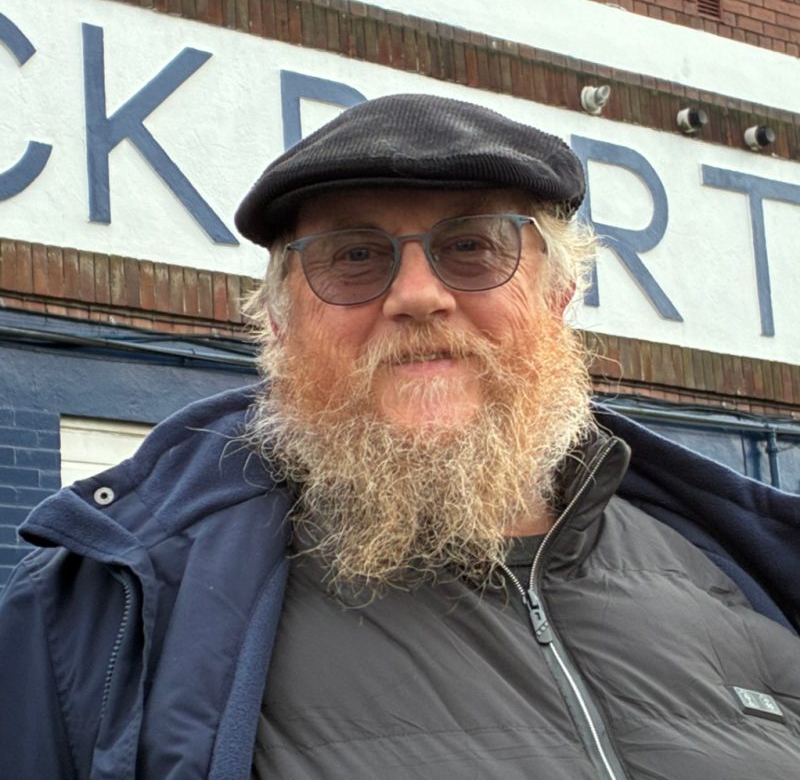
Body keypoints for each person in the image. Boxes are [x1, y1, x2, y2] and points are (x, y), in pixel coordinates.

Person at [1, 94, 799, 780]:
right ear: (279, 320)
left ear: (556, 296)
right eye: (354, 257)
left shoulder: (746, 576)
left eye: (472, 248)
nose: (418, 295)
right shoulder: (99, 616)